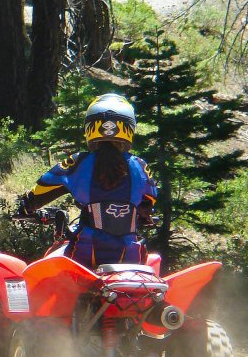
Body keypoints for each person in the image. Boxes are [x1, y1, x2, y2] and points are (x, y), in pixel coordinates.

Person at [16, 93, 157, 269]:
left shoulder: (78, 162)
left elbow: (44, 187)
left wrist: (27, 206)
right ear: (129, 128)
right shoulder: (141, 166)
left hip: (84, 256)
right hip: (130, 257)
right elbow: (149, 204)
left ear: (91, 127)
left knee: (50, 269)